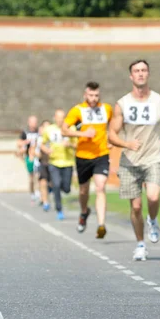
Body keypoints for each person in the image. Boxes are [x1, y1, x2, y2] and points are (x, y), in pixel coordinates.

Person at [108, 59, 160, 261]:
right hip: (130, 161)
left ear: (148, 74)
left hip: (154, 158)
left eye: (143, 70)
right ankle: (140, 244)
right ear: (131, 76)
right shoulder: (122, 104)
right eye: (136, 71)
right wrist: (125, 144)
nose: (140, 74)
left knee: (154, 197)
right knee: (136, 207)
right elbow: (111, 134)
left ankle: (153, 219)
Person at [62, 81, 112, 238]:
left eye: (96, 95)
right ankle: (84, 212)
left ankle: (101, 224)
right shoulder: (78, 110)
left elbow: (114, 126)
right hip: (83, 156)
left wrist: (111, 139)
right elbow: (64, 130)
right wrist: (82, 134)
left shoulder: (106, 109)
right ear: (85, 95)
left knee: (100, 186)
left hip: (101, 154)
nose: (94, 98)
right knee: (83, 190)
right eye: (91, 95)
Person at [41, 109, 76, 220]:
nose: (60, 120)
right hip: (54, 162)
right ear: (54, 118)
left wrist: (69, 144)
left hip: (68, 162)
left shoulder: (71, 128)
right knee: (56, 184)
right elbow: (41, 144)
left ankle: (60, 188)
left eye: (62, 117)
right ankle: (59, 209)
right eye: (58, 117)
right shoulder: (49, 129)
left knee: (66, 188)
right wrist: (46, 150)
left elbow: (77, 145)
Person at [17, 115, 39, 201]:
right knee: (31, 177)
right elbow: (18, 143)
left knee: (38, 175)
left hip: (37, 155)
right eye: (32, 122)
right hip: (29, 157)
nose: (34, 124)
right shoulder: (25, 133)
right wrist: (26, 142)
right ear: (29, 123)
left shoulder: (39, 132)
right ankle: (32, 192)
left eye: (35, 122)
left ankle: (38, 192)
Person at [36, 120, 52, 211]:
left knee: (52, 183)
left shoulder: (54, 137)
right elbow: (33, 149)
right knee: (43, 181)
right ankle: (45, 202)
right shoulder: (39, 138)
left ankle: (48, 191)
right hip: (42, 162)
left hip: (53, 162)